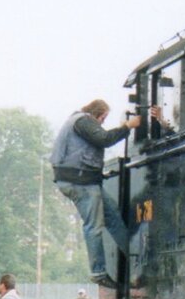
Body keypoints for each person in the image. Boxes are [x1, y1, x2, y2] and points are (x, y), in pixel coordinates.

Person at [49, 100, 142, 289]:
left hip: (86, 181)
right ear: (98, 114)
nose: (102, 122)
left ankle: (138, 261)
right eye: (104, 118)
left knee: (114, 218)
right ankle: (98, 272)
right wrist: (127, 126)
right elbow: (104, 139)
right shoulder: (83, 121)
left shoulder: (77, 123)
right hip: (79, 182)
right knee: (94, 225)